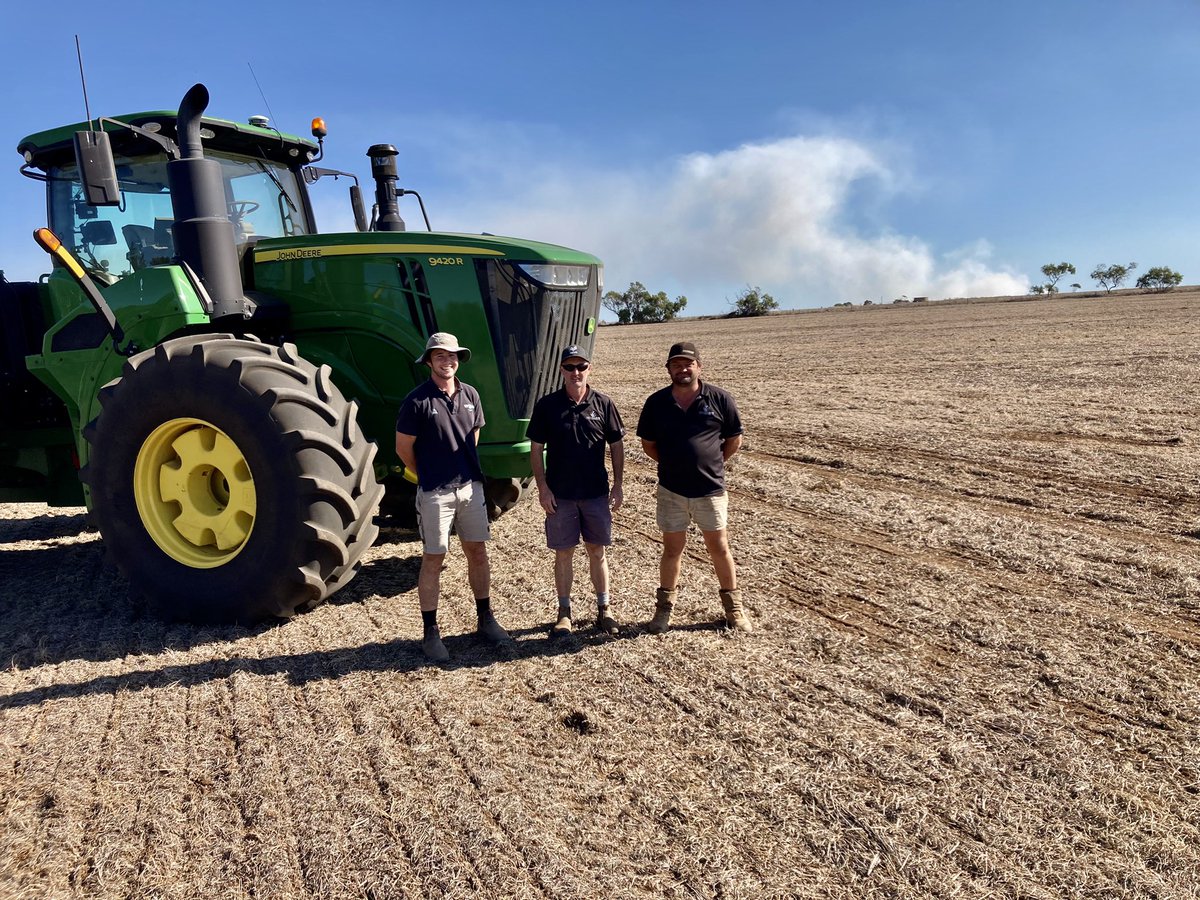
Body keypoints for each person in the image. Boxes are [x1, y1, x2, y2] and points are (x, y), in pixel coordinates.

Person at [395, 332, 511, 661]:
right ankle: (431, 634)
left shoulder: (471, 395)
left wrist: (460, 471)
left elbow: (472, 436)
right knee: (435, 558)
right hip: (435, 492)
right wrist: (430, 473)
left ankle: (485, 619)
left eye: (453, 356)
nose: (448, 362)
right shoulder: (417, 401)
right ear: (429, 361)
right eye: (441, 357)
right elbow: (403, 449)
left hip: (471, 488)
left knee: (478, 553)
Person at [636, 341, 750, 633]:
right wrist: (674, 465)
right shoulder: (656, 403)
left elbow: (733, 440)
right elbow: (648, 444)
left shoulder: (720, 399)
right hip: (671, 490)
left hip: (710, 490)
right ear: (668, 369)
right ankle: (664, 612)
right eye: (676, 364)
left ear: (699, 366)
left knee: (719, 548)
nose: (683, 369)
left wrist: (711, 463)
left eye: (688, 363)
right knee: (672, 550)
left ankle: (734, 610)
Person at [527, 345, 626, 637]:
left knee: (597, 551)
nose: (576, 372)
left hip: (595, 493)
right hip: (561, 496)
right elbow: (536, 449)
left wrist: (618, 484)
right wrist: (543, 488)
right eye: (570, 367)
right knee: (563, 553)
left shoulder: (604, 404)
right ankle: (564, 613)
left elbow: (617, 445)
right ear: (562, 371)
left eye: (581, 366)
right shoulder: (547, 406)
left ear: (589, 368)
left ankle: (604, 610)